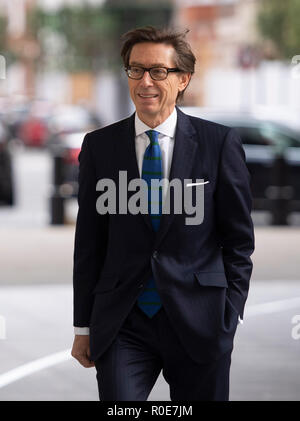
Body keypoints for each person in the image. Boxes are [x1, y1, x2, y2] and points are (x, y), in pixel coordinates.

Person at [71, 26, 255, 401]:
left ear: (183, 78)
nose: (145, 81)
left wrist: (229, 312)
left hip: (200, 319)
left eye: (158, 71)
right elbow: (89, 242)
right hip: (124, 322)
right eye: (135, 70)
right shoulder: (99, 146)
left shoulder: (218, 144)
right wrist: (83, 325)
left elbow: (239, 241)